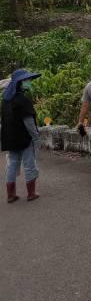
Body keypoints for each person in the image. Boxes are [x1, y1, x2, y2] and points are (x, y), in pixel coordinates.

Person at [2, 69, 42, 203]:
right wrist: (36, 138)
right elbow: (29, 122)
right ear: (20, 83)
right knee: (29, 164)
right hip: (24, 138)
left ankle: (10, 195)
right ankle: (31, 193)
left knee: (12, 165)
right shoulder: (23, 100)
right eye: (27, 80)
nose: (28, 82)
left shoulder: (6, 100)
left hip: (10, 138)